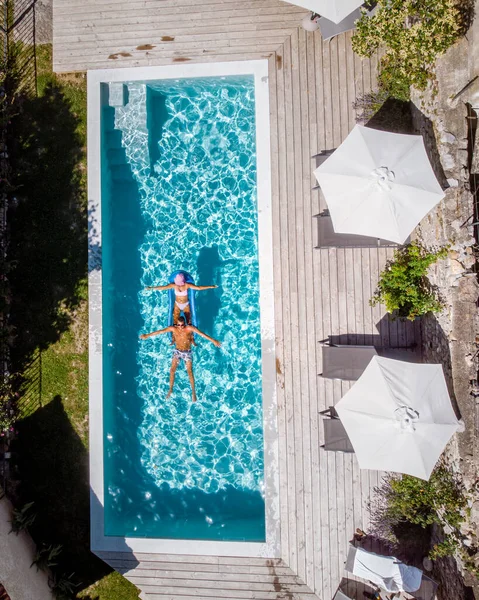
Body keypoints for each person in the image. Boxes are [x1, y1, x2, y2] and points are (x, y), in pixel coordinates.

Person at [139, 316, 221, 402]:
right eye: (179, 325)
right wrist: (147, 335)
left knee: (189, 371)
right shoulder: (173, 329)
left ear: (185, 324)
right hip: (177, 351)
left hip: (187, 352)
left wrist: (213, 341)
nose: (181, 327)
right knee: (172, 370)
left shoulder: (189, 328)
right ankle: (170, 389)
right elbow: (160, 331)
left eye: (182, 325)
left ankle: (193, 392)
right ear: (176, 324)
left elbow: (202, 334)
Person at [146, 273, 217, 325]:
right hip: (177, 304)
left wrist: (211, 286)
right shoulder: (173, 285)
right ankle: (174, 337)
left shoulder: (187, 285)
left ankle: (190, 336)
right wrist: (151, 288)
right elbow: (163, 287)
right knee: (175, 322)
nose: (179, 285)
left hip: (186, 304)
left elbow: (199, 288)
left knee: (189, 322)